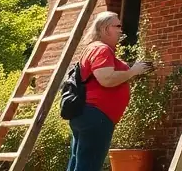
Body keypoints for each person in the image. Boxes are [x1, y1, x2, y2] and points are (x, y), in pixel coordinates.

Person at [65, 12, 153, 171]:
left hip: (88, 115)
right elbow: (106, 78)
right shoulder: (102, 49)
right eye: (117, 26)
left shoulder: (94, 49)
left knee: (78, 164)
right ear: (106, 29)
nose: (121, 30)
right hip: (97, 115)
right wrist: (132, 71)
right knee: (88, 165)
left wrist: (132, 70)